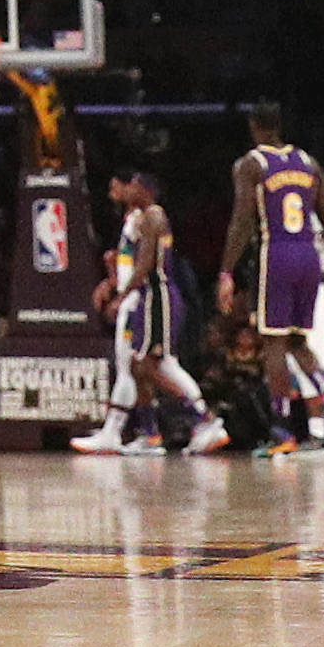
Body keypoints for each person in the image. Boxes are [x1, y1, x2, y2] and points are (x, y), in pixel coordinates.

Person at [223, 103, 324, 455]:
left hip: (274, 252)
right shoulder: (309, 162)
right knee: (297, 340)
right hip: (309, 253)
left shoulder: (251, 164)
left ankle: (282, 433)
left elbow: (242, 220)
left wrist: (226, 270)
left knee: (273, 343)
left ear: (253, 126)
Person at [93, 165, 217, 455]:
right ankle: (150, 435)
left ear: (146, 190)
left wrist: (121, 296)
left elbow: (146, 263)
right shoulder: (142, 217)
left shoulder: (152, 216)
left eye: (135, 184)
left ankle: (203, 419)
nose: (130, 188)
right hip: (149, 296)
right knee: (139, 367)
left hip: (155, 296)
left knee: (148, 365)